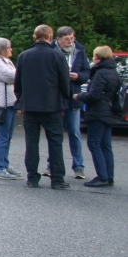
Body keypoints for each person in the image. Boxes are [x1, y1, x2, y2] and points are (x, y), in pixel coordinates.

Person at [15, 24, 71, 190]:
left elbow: (18, 83)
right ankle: (57, 179)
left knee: (31, 142)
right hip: (52, 106)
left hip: (31, 106)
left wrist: (22, 99)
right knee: (55, 143)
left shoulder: (23, 56)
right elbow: (64, 82)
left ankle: (32, 177)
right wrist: (64, 99)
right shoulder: (57, 56)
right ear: (50, 38)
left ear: (34, 37)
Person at [44, 26, 89, 179]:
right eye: (67, 39)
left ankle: (78, 167)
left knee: (74, 133)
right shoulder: (51, 51)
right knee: (54, 133)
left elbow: (87, 72)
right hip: (55, 97)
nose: (70, 41)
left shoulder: (80, 52)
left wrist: (79, 76)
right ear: (58, 40)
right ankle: (51, 165)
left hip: (73, 97)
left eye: (72, 38)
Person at [75, 46, 119, 187]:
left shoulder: (100, 73)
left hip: (98, 113)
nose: (93, 59)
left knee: (94, 143)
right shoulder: (114, 72)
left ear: (99, 58)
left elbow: (94, 95)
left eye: (94, 56)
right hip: (109, 111)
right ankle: (108, 176)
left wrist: (79, 96)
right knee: (105, 145)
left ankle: (102, 176)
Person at [0, 37, 21, 179]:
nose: (11, 50)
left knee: (8, 136)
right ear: (2, 49)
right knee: (2, 136)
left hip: (11, 102)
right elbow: (11, 77)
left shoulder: (7, 61)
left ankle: (5, 164)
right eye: (8, 47)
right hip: (3, 104)